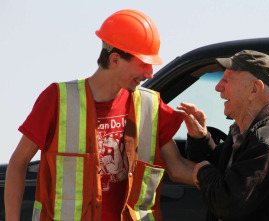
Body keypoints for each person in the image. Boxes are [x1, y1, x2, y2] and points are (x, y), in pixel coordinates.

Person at [5, 9, 195, 221]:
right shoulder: (57, 99)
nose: (149, 73)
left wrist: (224, 180)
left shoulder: (150, 105)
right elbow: (18, 163)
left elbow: (177, 167)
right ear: (114, 60)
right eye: (143, 64)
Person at [178, 50, 269, 221]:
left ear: (255, 89)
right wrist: (200, 137)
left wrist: (202, 171)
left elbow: (226, 203)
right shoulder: (246, 132)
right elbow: (220, 170)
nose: (218, 87)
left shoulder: (266, 142)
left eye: (227, 79)